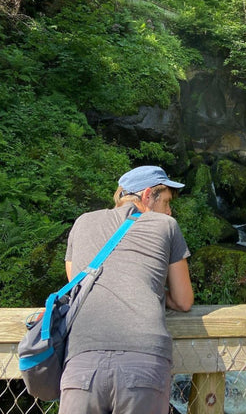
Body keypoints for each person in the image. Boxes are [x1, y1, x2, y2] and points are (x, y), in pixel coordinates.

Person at [60, 165, 194, 414]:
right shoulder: (166, 225)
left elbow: (77, 283)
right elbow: (184, 300)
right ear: (147, 196)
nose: (169, 210)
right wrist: (149, 290)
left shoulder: (82, 222)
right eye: (165, 201)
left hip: (82, 359)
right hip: (143, 360)